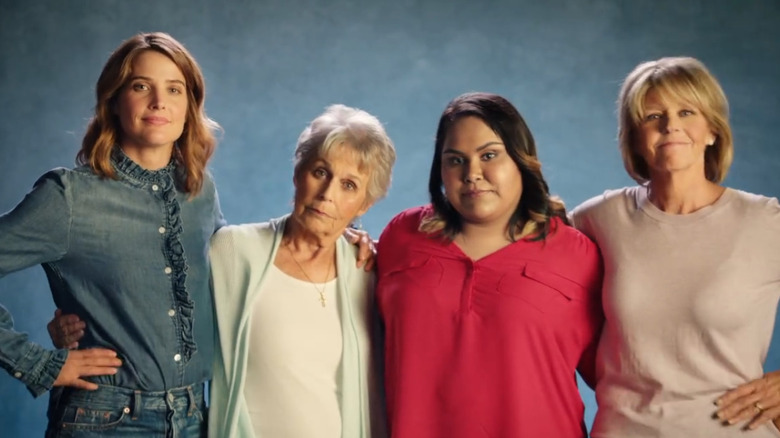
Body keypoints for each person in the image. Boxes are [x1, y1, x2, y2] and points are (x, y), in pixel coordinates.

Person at [0, 32, 224, 436]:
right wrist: (35, 361)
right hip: (105, 419)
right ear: (114, 100)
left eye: (174, 89)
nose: (159, 102)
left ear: (189, 106)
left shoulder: (199, 191)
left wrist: (341, 245)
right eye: (142, 86)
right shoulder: (68, 196)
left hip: (196, 415)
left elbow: (234, 268)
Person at [570, 56, 780, 437]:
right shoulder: (596, 221)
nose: (670, 126)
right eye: (652, 117)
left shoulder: (767, 222)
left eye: (686, 111)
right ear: (634, 137)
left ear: (713, 131)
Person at [376, 92, 603, 437]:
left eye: (489, 155)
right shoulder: (401, 238)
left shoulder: (577, 256)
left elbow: (626, 379)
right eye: (455, 160)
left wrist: (713, 379)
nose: (472, 173)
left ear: (521, 161)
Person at [207, 104, 394, 437]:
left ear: (365, 204)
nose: (327, 195)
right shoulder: (234, 250)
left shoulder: (369, 270)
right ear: (298, 173)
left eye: (349, 185)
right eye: (320, 172)